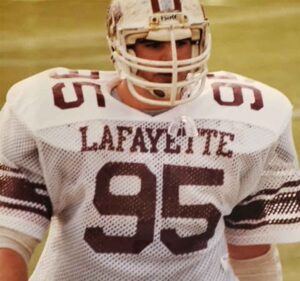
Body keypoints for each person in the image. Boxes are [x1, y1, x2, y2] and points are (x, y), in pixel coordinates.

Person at [0, 0, 299, 280]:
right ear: (118, 43)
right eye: (152, 43)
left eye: (183, 41)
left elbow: (251, 252)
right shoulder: (50, 113)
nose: (172, 58)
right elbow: (8, 241)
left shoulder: (247, 118)